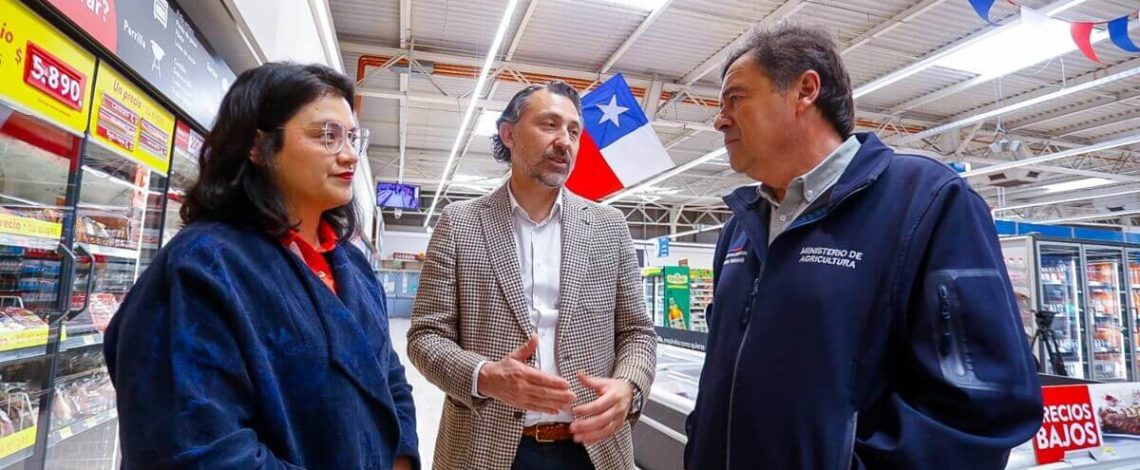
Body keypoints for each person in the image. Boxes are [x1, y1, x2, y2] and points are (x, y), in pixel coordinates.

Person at [683, 24, 1043, 470]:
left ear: (805, 90)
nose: (719, 119)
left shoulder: (928, 202)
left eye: (735, 99)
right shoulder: (740, 228)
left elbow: (981, 410)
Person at [104, 63, 419, 470]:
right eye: (326, 135)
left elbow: (388, 376)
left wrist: (400, 458)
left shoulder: (351, 265)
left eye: (352, 137)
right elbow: (194, 445)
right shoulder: (202, 266)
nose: (349, 155)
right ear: (257, 146)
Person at [407, 81, 656, 470]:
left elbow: (637, 332)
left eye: (573, 131)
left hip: (592, 450)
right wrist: (485, 376)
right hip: (487, 449)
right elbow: (425, 336)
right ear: (508, 134)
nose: (564, 141)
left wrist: (630, 386)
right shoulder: (459, 223)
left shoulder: (609, 226)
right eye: (549, 125)